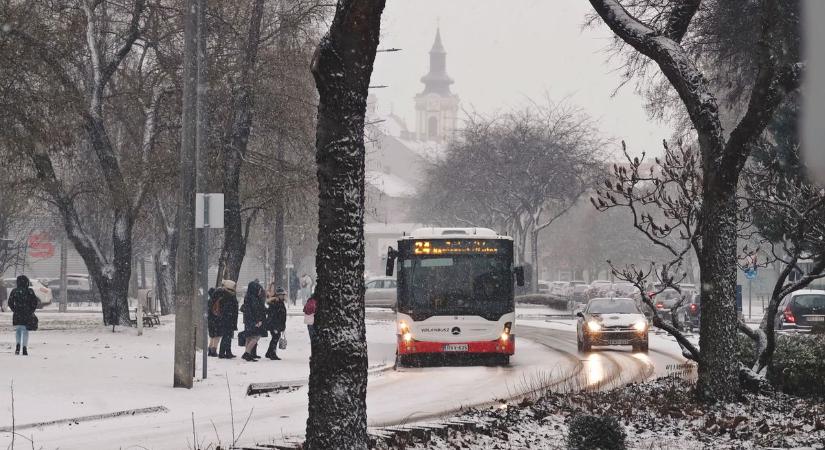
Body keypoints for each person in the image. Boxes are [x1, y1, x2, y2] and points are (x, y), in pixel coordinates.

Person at [8, 275, 39, 356]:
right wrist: (31, 310)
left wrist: (14, 309)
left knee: (18, 330)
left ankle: (17, 346)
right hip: (27, 313)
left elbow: (10, 302)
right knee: (25, 330)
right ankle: (24, 348)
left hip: (17, 313)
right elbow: (35, 302)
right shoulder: (30, 291)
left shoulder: (14, 291)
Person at [241, 280, 267, 362]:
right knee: (256, 336)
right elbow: (256, 311)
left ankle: (247, 353)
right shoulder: (254, 299)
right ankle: (247, 353)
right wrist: (257, 321)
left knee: (249, 337)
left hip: (248, 320)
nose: (260, 291)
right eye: (258, 289)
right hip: (254, 321)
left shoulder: (248, 297)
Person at [216, 280, 238, 359]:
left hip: (229, 319)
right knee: (226, 336)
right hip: (227, 319)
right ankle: (222, 353)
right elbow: (227, 308)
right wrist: (229, 315)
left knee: (228, 336)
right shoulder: (227, 295)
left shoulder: (228, 294)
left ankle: (228, 352)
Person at [265, 286, 287, 360]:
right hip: (274, 325)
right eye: (282, 295)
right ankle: (272, 354)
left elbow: (282, 316)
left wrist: (283, 326)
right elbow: (273, 316)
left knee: (275, 338)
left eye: (284, 295)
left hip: (277, 325)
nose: (283, 296)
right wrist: (275, 326)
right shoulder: (275, 303)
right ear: (278, 295)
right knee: (275, 338)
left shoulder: (280, 302)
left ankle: (269, 353)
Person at [206, 287, 220, 357]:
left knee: (212, 335)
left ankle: (210, 349)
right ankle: (214, 350)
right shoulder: (216, 301)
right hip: (216, 320)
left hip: (210, 320)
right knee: (216, 336)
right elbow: (217, 312)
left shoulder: (209, 301)